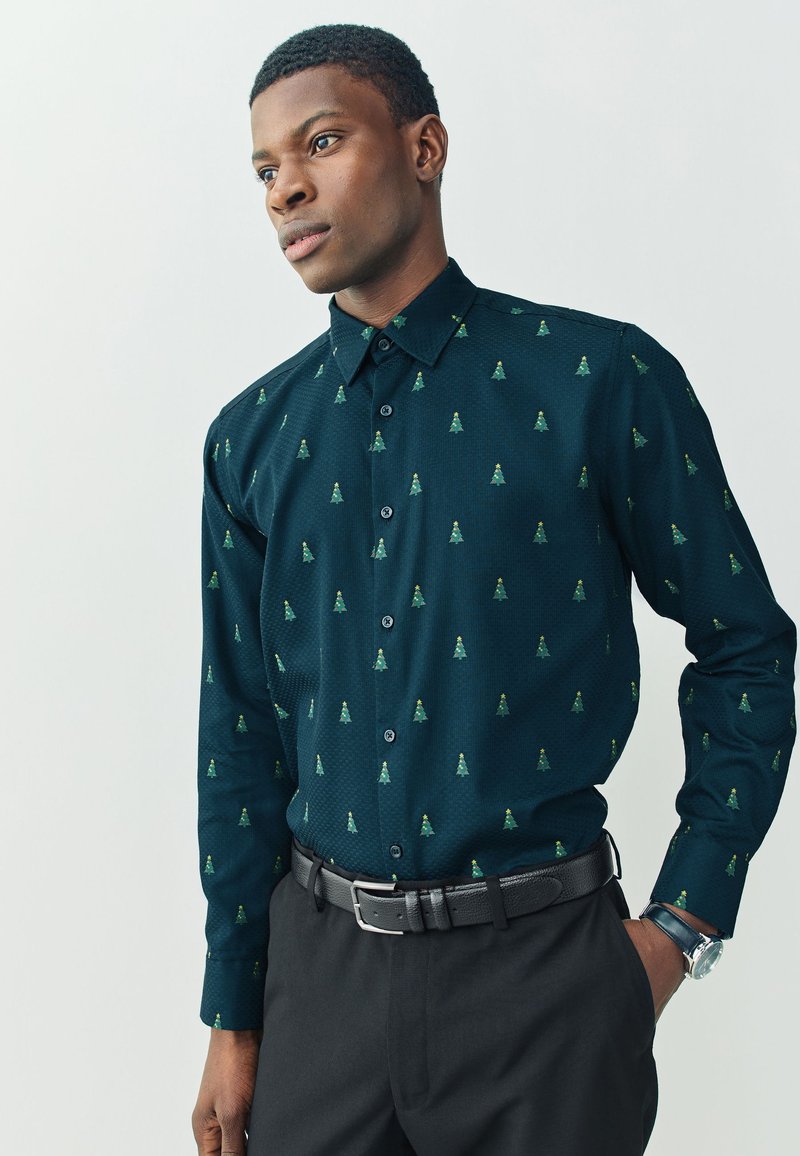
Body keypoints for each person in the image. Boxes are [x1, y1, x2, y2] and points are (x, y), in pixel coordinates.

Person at [191, 23, 796, 1156]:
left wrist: (682, 922)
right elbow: (239, 729)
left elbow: (746, 646)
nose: (285, 191)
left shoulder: (597, 381)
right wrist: (235, 1011)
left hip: (545, 989)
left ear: (424, 148)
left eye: (321, 143)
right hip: (319, 989)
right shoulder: (251, 439)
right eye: (264, 168)